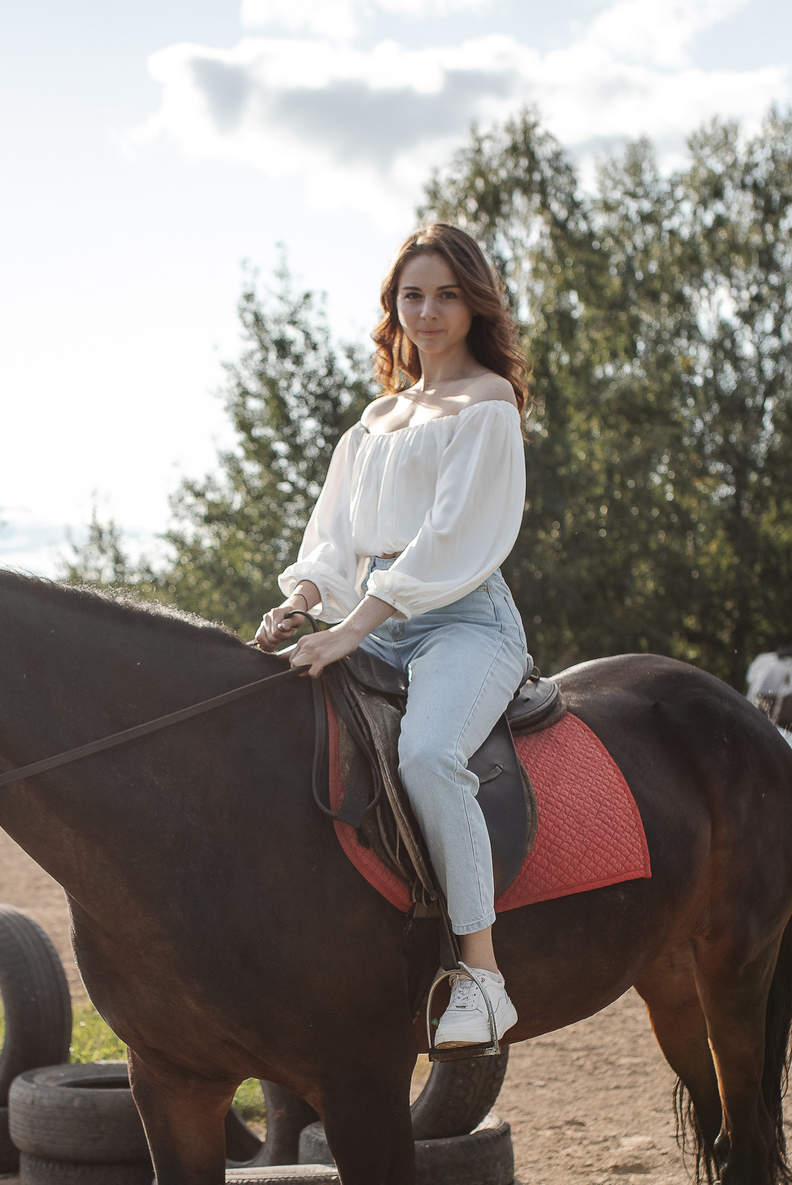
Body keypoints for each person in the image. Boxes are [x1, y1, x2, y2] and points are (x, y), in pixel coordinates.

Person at [254, 222, 531, 1052]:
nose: (430, 310)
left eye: (447, 294)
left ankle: (483, 979)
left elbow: (447, 545)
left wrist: (352, 631)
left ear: (473, 303)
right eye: (414, 294)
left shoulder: (488, 406)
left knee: (427, 755)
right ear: (394, 307)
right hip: (374, 615)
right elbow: (338, 539)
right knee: (267, 719)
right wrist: (303, 601)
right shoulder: (377, 419)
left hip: (462, 619)